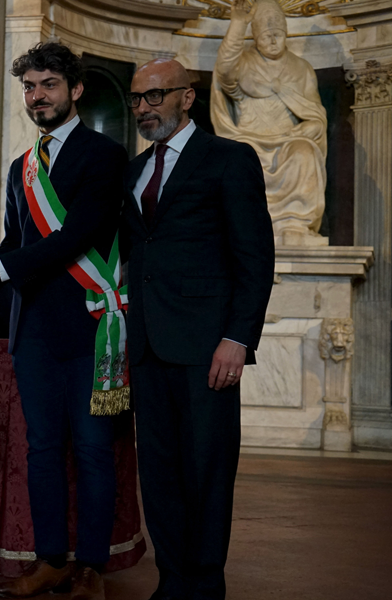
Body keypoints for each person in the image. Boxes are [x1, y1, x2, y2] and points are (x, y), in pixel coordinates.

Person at [0, 42, 128, 600]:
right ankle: (51, 559)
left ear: (75, 90)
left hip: (89, 328)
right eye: (29, 87)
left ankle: (91, 567)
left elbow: (75, 237)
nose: (37, 96)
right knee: (44, 451)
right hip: (34, 334)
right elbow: (19, 245)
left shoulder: (103, 155)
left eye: (48, 84)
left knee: (96, 451)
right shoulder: (21, 167)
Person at [122, 58, 275, 600]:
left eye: (156, 96)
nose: (144, 108)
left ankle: (205, 586)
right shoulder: (134, 170)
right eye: (138, 99)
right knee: (159, 475)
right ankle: (173, 582)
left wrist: (238, 339)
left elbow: (254, 258)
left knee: (207, 472)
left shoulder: (229, 160)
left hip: (208, 347)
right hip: (146, 346)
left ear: (188, 98)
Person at [211, 0, 327, 244]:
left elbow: (316, 116)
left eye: (278, 35)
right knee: (239, 158)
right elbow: (225, 71)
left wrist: (307, 128)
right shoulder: (243, 63)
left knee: (304, 153)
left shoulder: (302, 69)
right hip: (248, 139)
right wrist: (238, 24)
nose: (273, 41)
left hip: (289, 141)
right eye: (267, 36)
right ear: (255, 37)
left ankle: (295, 223)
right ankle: (243, 224)